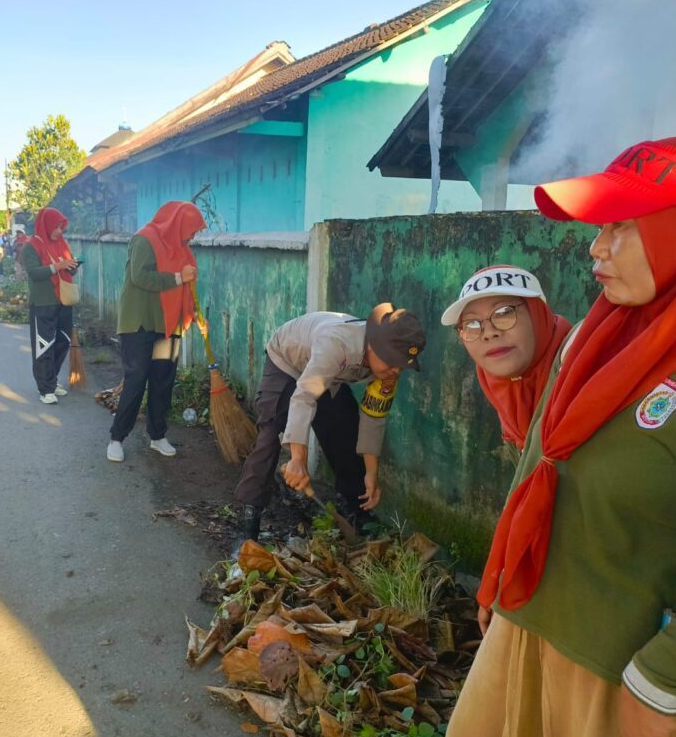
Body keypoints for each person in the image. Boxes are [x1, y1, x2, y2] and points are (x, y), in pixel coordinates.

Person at [447, 136, 676, 737]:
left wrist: (663, 680)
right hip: (526, 630)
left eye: (621, 227)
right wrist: (499, 579)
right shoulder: (590, 343)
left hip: (622, 683)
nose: (595, 248)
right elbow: (535, 467)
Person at [232, 305, 426, 548]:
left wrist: (371, 474)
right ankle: (248, 523)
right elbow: (304, 397)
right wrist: (297, 459)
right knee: (271, 433)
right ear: (373, 345)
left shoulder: (388, 369)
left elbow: (374, 417)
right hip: (287, 361)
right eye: (392, 362)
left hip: (330, 375)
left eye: (402, 365)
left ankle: (358, 512)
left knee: (345, 428)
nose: (396, 371)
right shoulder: (336, 344)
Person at [107, 201, 203, 463]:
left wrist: (192, 311)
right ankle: (117, 437)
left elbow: (188, 283)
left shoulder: (181, 248)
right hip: (139, 322)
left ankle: (157, 436)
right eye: (192, 230)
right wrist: (176, 278)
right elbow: (140, 277)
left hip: (169, 324)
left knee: (163, 381)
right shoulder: (144, 240)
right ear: (178, 224)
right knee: (137, 379)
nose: (193, 236)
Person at [441, 265, 571, 451]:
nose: (489, 333)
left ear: (538, 314)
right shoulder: (501, 386)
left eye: (504, 313)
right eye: (471, 323)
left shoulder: (580, 368)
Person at [22, 207, 78, 404]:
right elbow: (34, 273)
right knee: (44, 345)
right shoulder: (31, 246)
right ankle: (45, 388)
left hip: (64, 300)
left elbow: (68, 269)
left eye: (62, 227)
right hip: (44, 302)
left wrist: (72, 266)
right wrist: (58, 267)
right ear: (46, 225)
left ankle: (52, 381)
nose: (59, 231)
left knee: (62, 341)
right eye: (56, 227)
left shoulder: (62, 243)